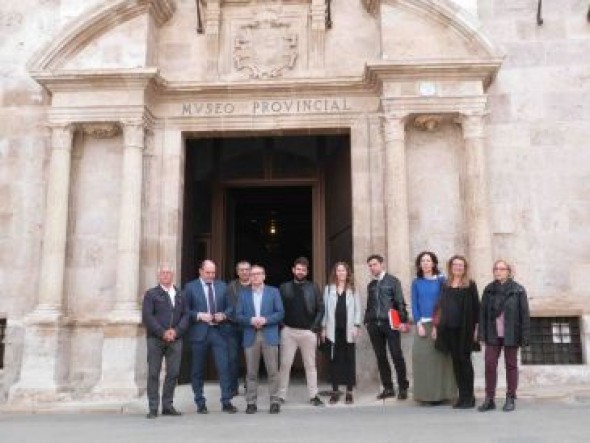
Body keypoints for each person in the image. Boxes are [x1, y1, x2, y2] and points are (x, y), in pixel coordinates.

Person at [185, 259, 237, 414]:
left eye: (213, 272)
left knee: (224, 367)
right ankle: (200, 402)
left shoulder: (222, 286)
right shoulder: (190, 287)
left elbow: (231, 307)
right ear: (200, 271)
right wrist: (199, 315)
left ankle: (226, 401)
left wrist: (224, 314)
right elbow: (185, 311)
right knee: (197, 369)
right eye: (208, 272)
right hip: (199, 332)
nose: (211, 275)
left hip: (218, 332)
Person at [478, 259, 530, 413]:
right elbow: (482, 314)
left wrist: (525, 336)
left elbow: (524, 315)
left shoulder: (518, 290)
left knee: (511, 365)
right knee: (489, 364)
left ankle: (510, 397)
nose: (498, 271)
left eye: (502, 269)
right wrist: (482, 333)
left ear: (509, 271)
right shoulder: (488, 289)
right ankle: (489, 399)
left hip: (511, 334)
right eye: (496, 269)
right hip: (493, 334)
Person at [141, 265, 190, 419]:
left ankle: (167, 405)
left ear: (172, 275)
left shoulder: (181, 294)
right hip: (155, 339)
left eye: (168, 273)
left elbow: (186, 315)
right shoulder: (151, 294)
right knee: (154, 374)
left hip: (176, 339)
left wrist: (176, 331)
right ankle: (153, 407)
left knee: (173, 373)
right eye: (163, 273)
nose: (166, 275)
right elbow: (148, 317)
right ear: (159, 275)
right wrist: (163, 332)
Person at [433, 255, 480, 409]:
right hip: (449, 330)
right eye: (455, 265)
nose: (458, 267)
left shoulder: (470, 284)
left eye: (461, 265)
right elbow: (440, 306)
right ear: (450, 267)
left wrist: (476, 329)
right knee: (456, 362)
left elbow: (476, 308)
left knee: (465, 361)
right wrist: (436, 326)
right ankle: (461, 396)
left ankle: (470, 397)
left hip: (465, 330)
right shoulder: (445, 284)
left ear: (464, 268)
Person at [235, 264, 284, 414]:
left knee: (273, 371)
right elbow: (238, 316)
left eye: (259, 274)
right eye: (253, 274)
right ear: (250, 277)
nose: (255, 276)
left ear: (264, 276)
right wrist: (250, 320)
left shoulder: (273, 292)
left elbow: (280, 313)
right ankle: (251, 403)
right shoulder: (243, 294)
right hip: (251, 335)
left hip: (269, 334)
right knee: (251, 372)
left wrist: (265, 320)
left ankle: (274, 401)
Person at [278, 256, 325, 406]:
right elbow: (277, 308)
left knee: (310, 365)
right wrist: (282, 325)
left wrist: (314, 328)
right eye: (298, 269)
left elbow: (320, 308)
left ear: (307, 271)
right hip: (289, 331)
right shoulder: (284, 287)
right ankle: (281, 395)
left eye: (303, 270)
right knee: (285, 365)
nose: (300, 272)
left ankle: (314, 395)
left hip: (308, 332)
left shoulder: (313, 287)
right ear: (293, 270)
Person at [411, 251, 456, 405]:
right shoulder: (416, 282)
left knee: (441, 361)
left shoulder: (442, 281)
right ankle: (426, 396)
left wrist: (437, 325)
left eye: (428, 260)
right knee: (421, 359)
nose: (425, 263)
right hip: (423, 325)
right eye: (422, 261)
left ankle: (443, 395)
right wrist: (418, 324)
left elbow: (444, 304)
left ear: (434, 263)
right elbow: (415, 304)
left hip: (439, 324)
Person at [364, 254, 410, 400]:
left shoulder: (393, 281)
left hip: (390, 324)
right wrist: (367, 320)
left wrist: (403, 320)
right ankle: (388, 387)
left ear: (382, 264)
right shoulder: (370, 285)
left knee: (396, 355)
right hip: (374, 325)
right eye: (370, 265)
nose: (372, 267)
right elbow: (369, 305)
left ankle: (403, 387)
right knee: (381, 357)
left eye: (374, 264)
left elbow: (400, 302)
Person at [320, 262, 361, 405]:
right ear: (335, 273)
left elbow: (358, 309)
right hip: (333, 330)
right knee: (334, 361)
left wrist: (356, 325)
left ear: (347, 272)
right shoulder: (328, 289)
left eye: (343, 270)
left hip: (349, 330)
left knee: (349, 360)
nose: (341, 273)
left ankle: (349, 392)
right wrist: (323, 328)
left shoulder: (353, 289)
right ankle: (335, 392)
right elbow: (324, 310)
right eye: (338, 270)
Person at [226, 260, 251, 396]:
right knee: (232, 357)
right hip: (233, 326)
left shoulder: (256, 285)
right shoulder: (231, 286)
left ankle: (250, 386)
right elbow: (227, 305)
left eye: (247, 269)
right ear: (237, 272)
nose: (244, 272)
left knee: (250, 358)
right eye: (241, 270)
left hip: (250, 327)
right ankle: (233, 387)